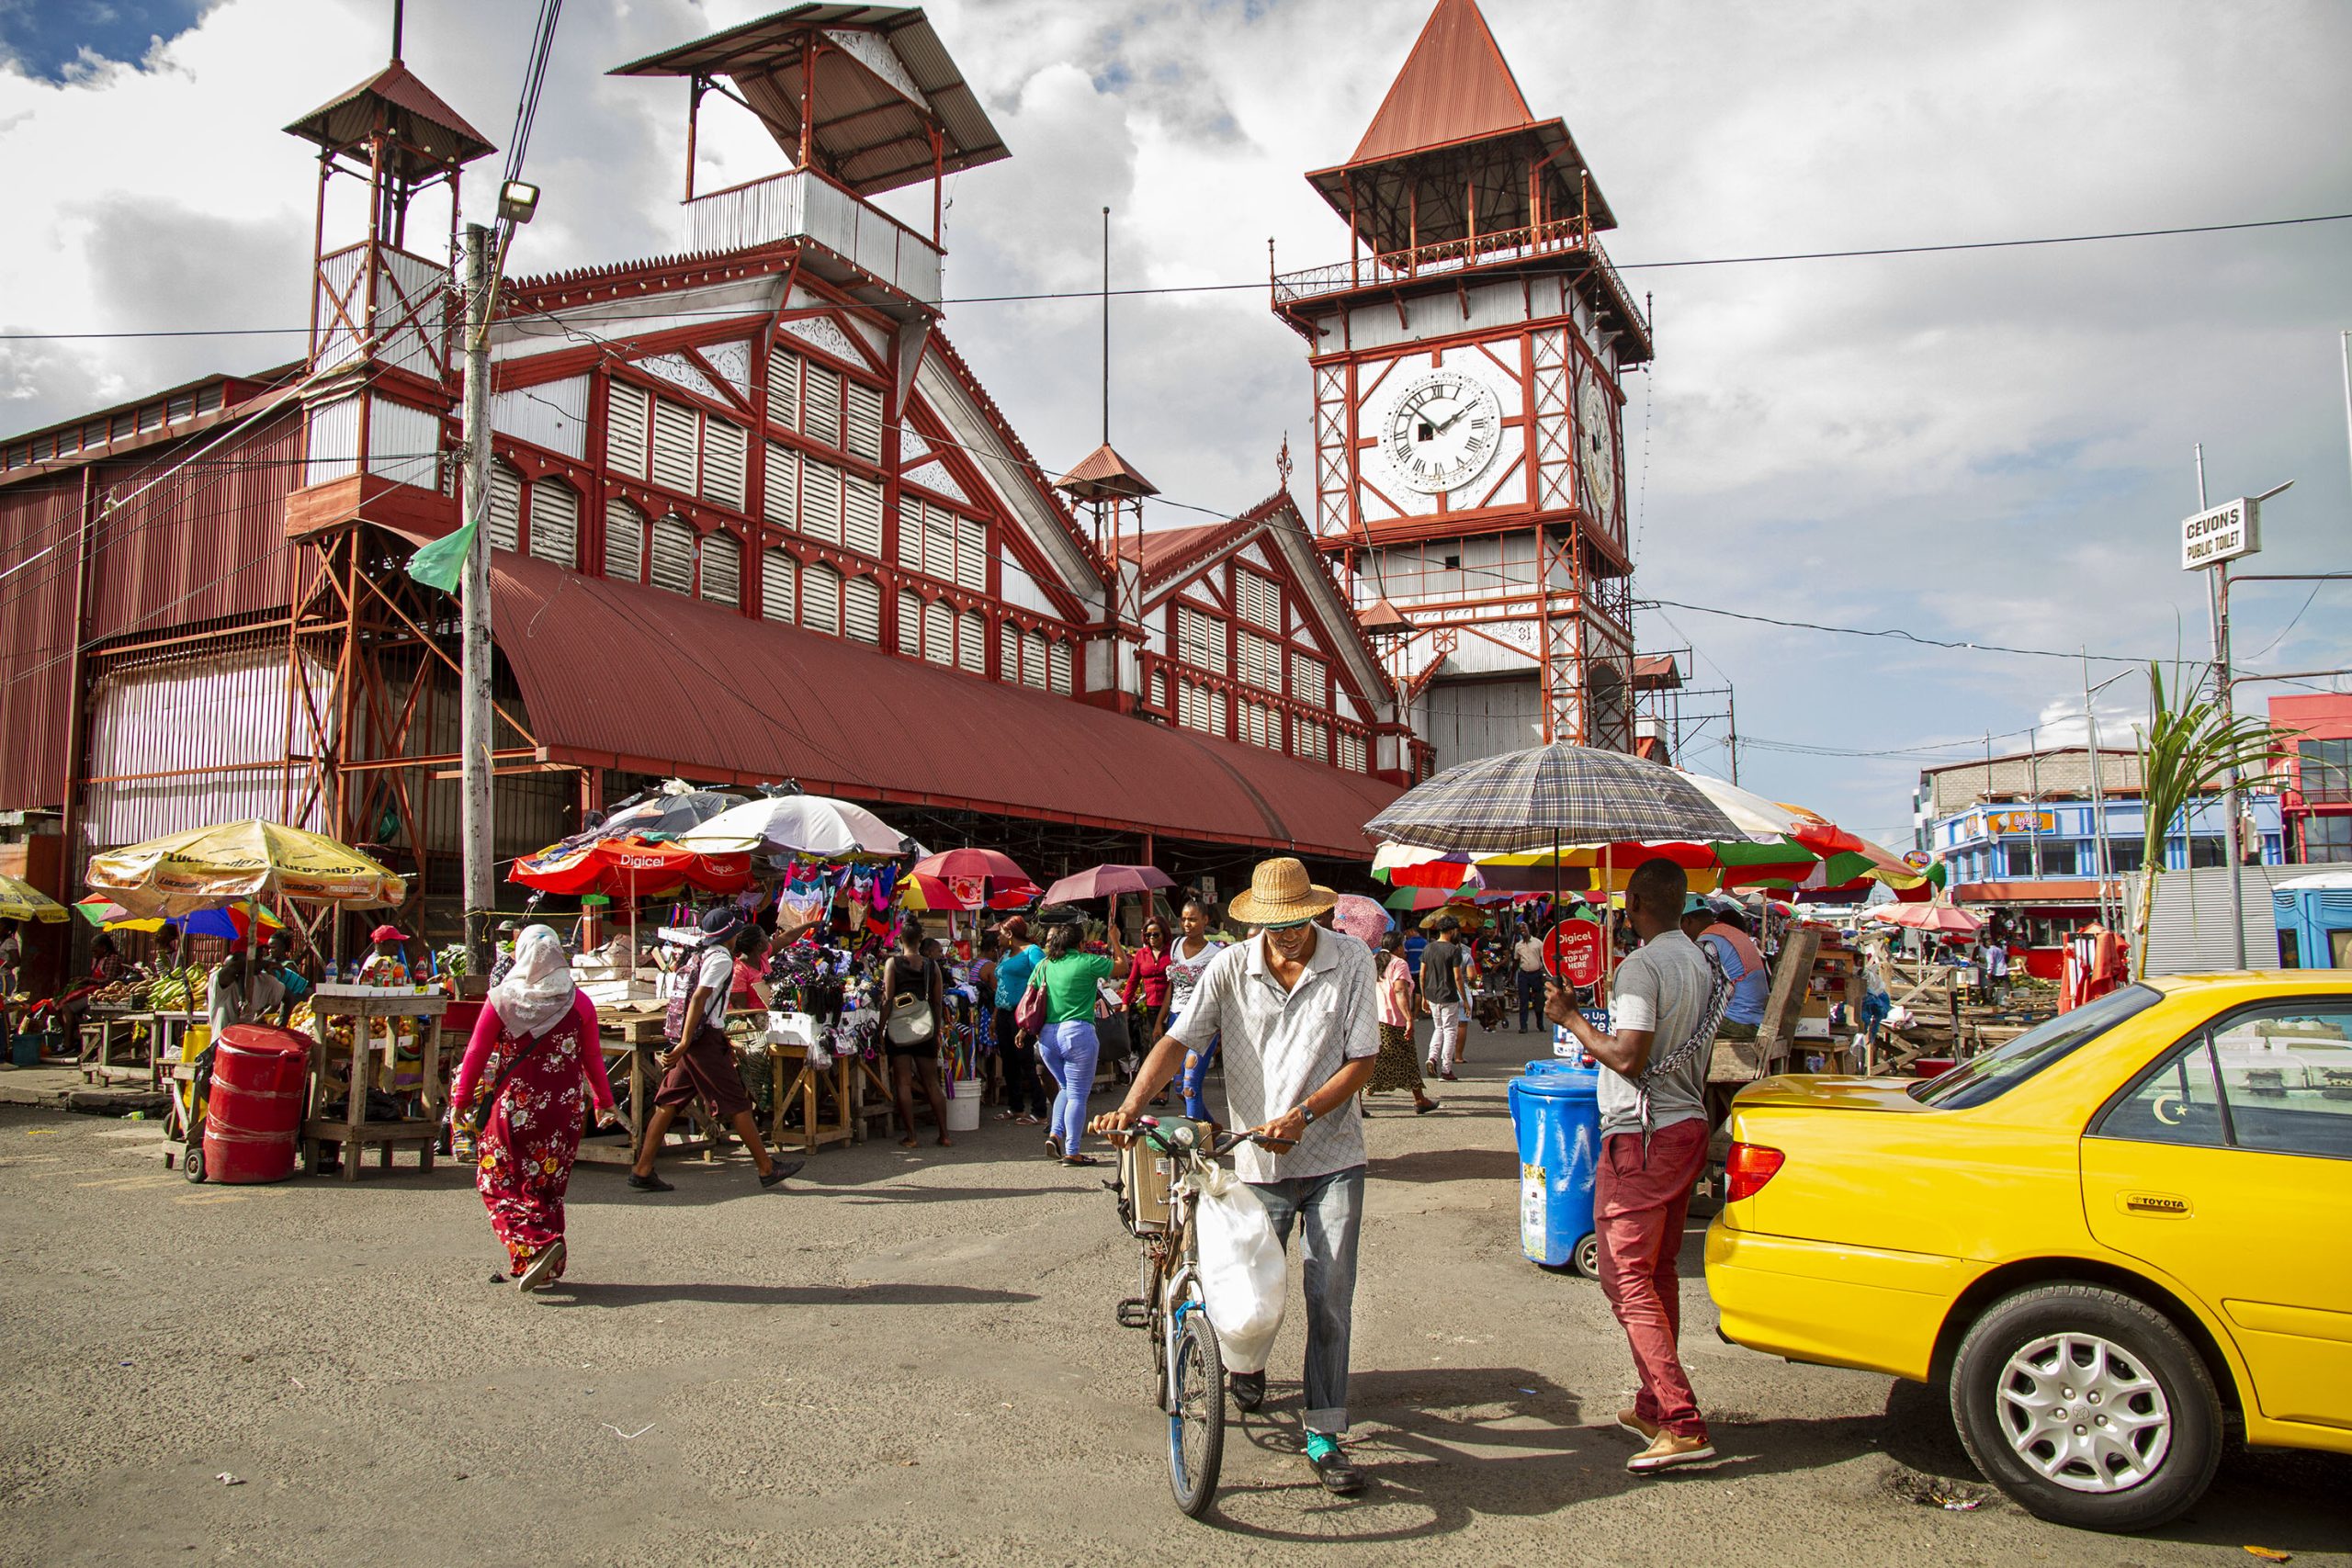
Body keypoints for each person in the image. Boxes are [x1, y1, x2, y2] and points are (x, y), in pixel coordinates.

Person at [1093, 857, 1380, 1496]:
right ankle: (1248, 1366)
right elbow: (1178, 1039)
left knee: (1329, 1291)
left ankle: (1325, 1430)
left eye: (1297, 920)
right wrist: (1131, 1104)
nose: (1286, 932)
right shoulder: (1229, 966)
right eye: (1274, 922)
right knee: (1251, 1284)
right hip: (1256, 1156)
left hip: (1333, 1152)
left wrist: (1305, 1113)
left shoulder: (1353, 960)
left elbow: (1364, 1058)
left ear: (1317, 912)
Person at [1545, 857, 1730, 1474]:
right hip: (1684, 1125)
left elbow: (1627, 1055)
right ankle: (1654, 1401)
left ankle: (1681, 1420)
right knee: (1658, 1274)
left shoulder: (1641, 966)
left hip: (1643, 1135)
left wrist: (1572, 1018)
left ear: (1636, 908)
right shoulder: (1702, 960)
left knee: (1625, 1276)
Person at [451, 926, 616, 1292]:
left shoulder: (502, 999)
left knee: (495, 1180)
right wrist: (605, 1101)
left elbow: (476, 1053)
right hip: (564, 1109)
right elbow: (592, 1057)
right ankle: (540, 1263)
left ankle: (536, 1245)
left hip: (516, 1109)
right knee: (545, 1185)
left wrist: (461, 1100)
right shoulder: (579, 1002)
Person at [628, 910, 807, 1194]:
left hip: (701, 1037)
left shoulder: (703, 954)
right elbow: (700, 997)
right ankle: (767, 1168)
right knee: (737, 1103)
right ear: (729, 935)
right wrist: (686, 1042)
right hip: (702, 1041)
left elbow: (707, 1005)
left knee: (669, 1100)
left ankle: (642, 1168)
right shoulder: (722, 959)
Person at [1028, 910, 1128, 1167]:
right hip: (1077, 1035)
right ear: (1081, 944)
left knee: (1065, 1088)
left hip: (1047, 1037)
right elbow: (1122, 967)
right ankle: (1072, 1151)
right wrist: (1114, 939)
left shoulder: (1044, 965)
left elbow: (1030, 997)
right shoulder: (1087, 962)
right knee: (1077, 1095)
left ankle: (1055, 1133)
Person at [879, 924, 954, 1150]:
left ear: (900, 938)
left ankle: (911, 1136)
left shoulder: (893, 963)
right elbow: (938, 1002)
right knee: (931, 1082)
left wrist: (880, 1030)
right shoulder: (932, 966)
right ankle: (944, 1134)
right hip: (926, 1027)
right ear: (921, 939)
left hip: (899, 1027)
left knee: (903, 1081)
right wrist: (937, 1030)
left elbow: (887, 999)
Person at [1365, 929, 1441, 1115]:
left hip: (1375, 1018)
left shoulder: (1372, 960)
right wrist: (1409, 1018)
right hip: (1393, 1020)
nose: (1405, 950)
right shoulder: (1399, 964)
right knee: (1404, 1059)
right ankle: (1419, 1099)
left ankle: (1419, 1099)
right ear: (1397, 947)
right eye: (1404, 946)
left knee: (1373, 1059)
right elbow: (1400, 991)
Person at [1166, 897, 1225, 1121]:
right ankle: (1210, 1129)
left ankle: (1195, 1146)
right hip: (1176, 1018)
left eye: (1193, 919)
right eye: (1184, 919)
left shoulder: (1216, 955)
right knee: (1180, 1087)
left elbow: (1221, 993)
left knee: (1191, 1085)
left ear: (1205, 920)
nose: (1187, 924)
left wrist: (1221, 1031)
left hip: (1203, 1021)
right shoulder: (1175, 945)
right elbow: (1172, 986)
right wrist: (1164, 1017)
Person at [1680, 897, 1768, 1046]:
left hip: (1738, 1021)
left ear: (1687, 921)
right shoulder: (1727, 931)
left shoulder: (1707, 941)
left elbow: (1700, 991)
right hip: (1754, 1017)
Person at [990, 917, 1047, 1126]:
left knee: (1027, 1060)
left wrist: (1032, 1014)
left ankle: (1040, 1111)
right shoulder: (1005, 954)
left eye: (1000, 933)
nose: (997, 937)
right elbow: (1002, 986)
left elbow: (1043, 980)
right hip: (1004, 1013)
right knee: (1009, 1060)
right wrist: (995, 1017)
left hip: (1022, 1014)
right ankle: (1016, 1107)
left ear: (1010, 934)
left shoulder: (1032, 952)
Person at [1417, 916, 1471, 1081]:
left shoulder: (1428, 948)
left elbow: (1422, 974)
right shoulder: (1454, 950)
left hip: (1432, 995)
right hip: (1449, 995)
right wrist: (1465, 1000)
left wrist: (1424, 996)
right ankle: (1446, 1070)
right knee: (1450, 1031)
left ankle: (1432, 1057)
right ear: (1453, 930)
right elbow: (1458, 977)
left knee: (1438, 1027)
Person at [1122, 913, 1174, 1079]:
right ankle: (1158, 1083)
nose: (1151, 938)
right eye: (1148, 934)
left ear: (1164, 934)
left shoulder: (1173, 952)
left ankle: (1164, 1086)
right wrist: (1125, 1003)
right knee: (1154, 1046)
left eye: (1156, 934)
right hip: (1151, 1007)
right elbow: (1133, 981)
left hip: (1172, 1006)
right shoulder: (1141, 955)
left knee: (1169, 1046)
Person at [205, 945, 288, 1040]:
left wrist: (281, 1027)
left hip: (247, 1046)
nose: (259, 962)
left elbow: (288, 997)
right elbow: (234, 968)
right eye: (256, 959)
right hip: (223, 1046)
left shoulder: (263, 980)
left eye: (260, 958)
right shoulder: (219, 979)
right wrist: (264, 964)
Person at [1511, 921, 1548, 1034]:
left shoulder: (1538, 943)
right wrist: (1512, 976)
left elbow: (1543, 959)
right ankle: (1523, 1026)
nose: (1523, 930)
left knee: (1539, 1001)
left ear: (1528, 929)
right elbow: (1516, 962)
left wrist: (1544, 974)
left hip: (1536, 974)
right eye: (1520, 928)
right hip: (1524, 974)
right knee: (1524, 1001)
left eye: (1524, 927)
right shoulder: (1518, 945)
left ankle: (1540, 1024)